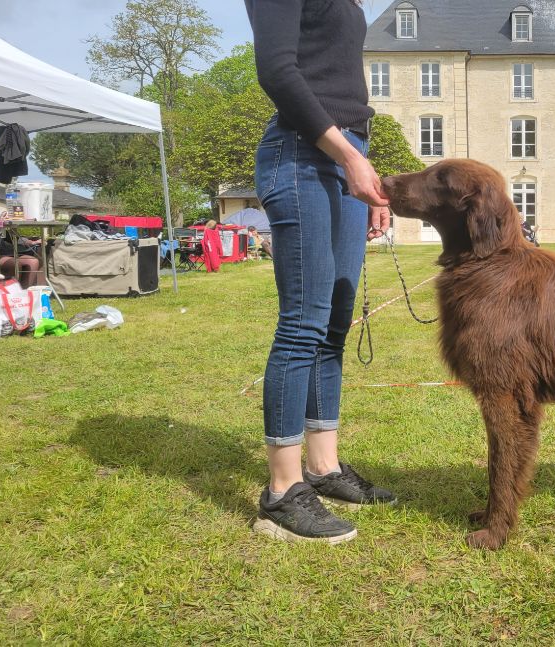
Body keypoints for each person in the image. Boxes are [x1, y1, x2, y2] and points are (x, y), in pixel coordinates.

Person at [247, 0, 394, 544]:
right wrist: (349, 158)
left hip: (348, 152)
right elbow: (278, 71)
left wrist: (364, 167)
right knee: (303, 324)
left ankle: (323, 468)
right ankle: (283, 491)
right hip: (303, 154)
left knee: (334, 327)